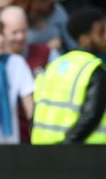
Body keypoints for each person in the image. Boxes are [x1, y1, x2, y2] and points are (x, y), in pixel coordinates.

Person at [31, 7, 106, 144]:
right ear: (84, 39)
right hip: (82, 154)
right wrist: (67, 145)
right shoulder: (94, 69)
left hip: (41, 152)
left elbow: (35, 111)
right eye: (101, 32)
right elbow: (91, 115)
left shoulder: (53, 65)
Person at [0, 15, 34, 145]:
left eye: (2, 34)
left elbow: (29, 105)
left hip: (9, 141)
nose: (1, 39)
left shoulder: (16, 62)